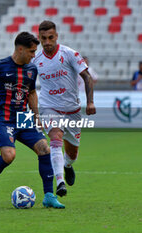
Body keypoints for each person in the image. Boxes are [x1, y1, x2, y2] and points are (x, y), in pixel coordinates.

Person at [0, 32, 64, 208]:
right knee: (9, 156)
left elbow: (30, 92)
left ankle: (49, 196)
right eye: (31, 51)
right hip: (4, 118)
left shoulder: (32, 69)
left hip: (24, 117)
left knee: (45, 149)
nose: (33, 55)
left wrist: (36, 116)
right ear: (20, 49)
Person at [32, 20, 96, 197]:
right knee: (55, 137)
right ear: (39, 38)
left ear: (56, 36)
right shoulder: (36, 60)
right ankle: (59, 182)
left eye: (50, 37)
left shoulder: (69, 54)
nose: (47, 42)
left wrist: (90, 102)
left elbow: (87, 77)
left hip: (72, 110)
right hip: (49, 107)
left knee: (73, 153)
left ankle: (67, 165)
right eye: (43, 38)